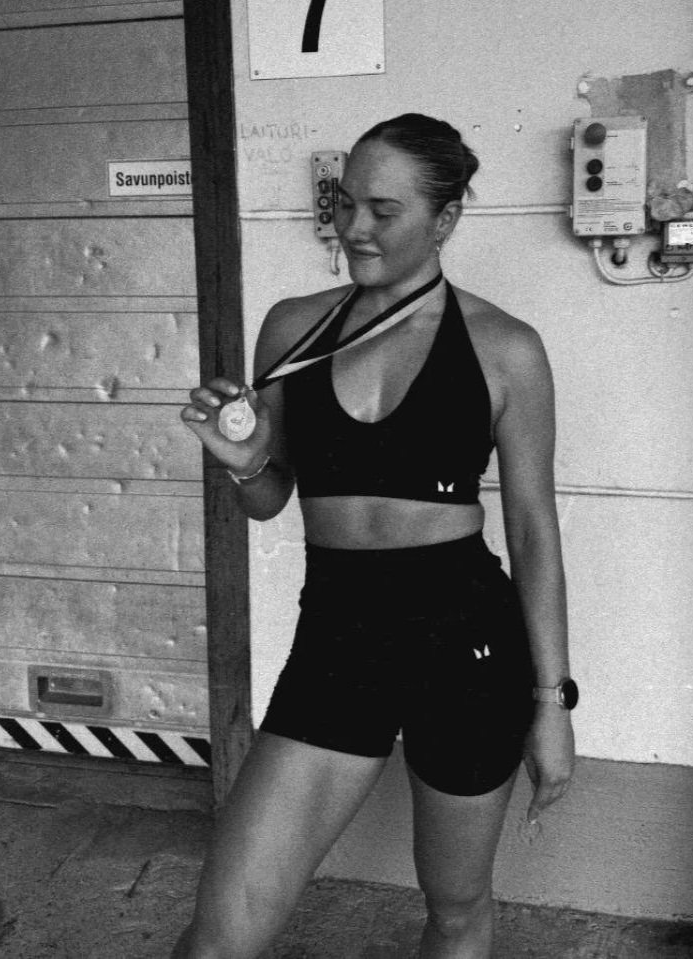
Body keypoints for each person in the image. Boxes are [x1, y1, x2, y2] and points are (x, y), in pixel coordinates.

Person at [173, 113, 576, 959]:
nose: (355, 227)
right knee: (219, 938)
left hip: (467, 647)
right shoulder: (293, 328)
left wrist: (551, 705)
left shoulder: (505, 349)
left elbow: (534, 533)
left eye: (383, 211)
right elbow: (270, 499)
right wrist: (244, 463)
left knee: (455, 909)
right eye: (345, 202)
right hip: (339, 637)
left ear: (445, 218)